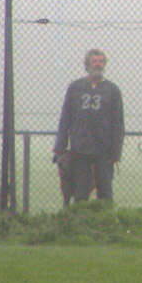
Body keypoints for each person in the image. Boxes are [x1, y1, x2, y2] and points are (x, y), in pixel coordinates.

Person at [53, 48, 125, 202]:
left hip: (104, 150)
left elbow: (118, 124)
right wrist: (60, 147)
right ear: (87, 64)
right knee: (80, 192)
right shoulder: (75, 88)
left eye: (101, 61)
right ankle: (80, 223)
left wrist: (116, 152)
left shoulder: (112, 90)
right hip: (80, 149)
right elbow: (65, 118)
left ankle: (105, 223)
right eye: (94, 61)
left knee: (105, 192)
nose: (98, 64)